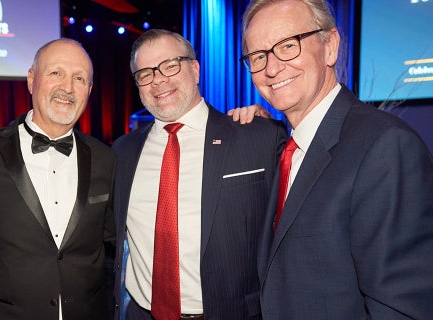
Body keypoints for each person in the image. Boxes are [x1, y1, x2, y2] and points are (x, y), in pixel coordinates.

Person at [240, 0, 433, 318]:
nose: (271, 68)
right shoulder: (286, 150)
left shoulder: (385, 147)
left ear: (330, 46)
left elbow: (402, 309)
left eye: (288, 46)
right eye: (258, 56)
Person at [113, 28, 287, 320]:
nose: (159, 80)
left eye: (170, 66)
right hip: (142, 314)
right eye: (145, 73)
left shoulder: (257, 138)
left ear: (194, 69)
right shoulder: (122, 152)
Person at [0, 38, 115, 320]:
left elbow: (115, 242)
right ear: (32, 80)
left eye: (79, 78)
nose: (67, 88)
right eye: (56, 73)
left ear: (89, 90)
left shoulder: (107, 159)